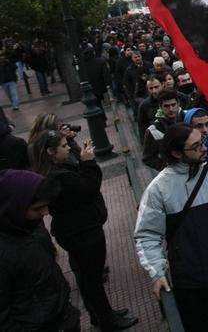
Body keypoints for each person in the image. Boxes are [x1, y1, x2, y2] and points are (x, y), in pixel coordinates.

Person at [134, 123, 208, 332]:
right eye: (196, 146)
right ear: (176, 153)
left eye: (202, 142)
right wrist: (157, 271)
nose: (204, 148)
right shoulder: (158, 189)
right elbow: (147, 235)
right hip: (190, 285)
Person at [29, 131, 138, 331]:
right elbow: (89, 186)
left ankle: (100, 314)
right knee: (93, 279)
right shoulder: (57, 176)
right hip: (82, 233)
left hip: (78, 230)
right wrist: (89, 163)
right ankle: (107, 320)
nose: (68, 147)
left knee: (89, 278)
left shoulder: (54, 170)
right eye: (64, 146)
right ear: (51, 152)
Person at [0, 170, 80, 331]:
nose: (46, 212)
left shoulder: (25, 229)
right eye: (38, 208)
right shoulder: (5, 252)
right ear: (14, 207)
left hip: (60, 318)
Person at [142, 89, 185, 170]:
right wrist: (167, 167)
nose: (171, 109)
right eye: (166, 106)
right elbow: (148, 158)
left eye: (173, 104)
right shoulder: (153, 130)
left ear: (178, 103)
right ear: (160, 106)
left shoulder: (189, 117)